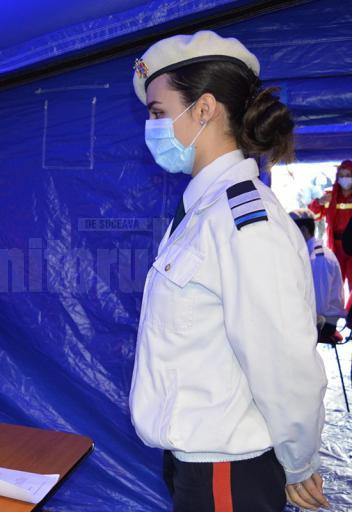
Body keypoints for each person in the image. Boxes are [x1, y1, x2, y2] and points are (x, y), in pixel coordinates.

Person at [128, 31, 328, 511]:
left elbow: (282, 357)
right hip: (197, 461)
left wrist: (299, 460)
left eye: (157, 112)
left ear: (204, 109)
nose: (151, 126)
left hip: (227, 473)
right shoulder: (202, 212)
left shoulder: (244, 220)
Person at [291, 209, 347, 341]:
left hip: (323, 323)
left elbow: (318, 307)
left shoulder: (317, 259)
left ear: (304, 231)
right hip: (315, 318)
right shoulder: (310, 254)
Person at [309, 159, 352, 307]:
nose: (345, 178)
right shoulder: (330, 196)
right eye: (342, 175)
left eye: (348, 175)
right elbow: (313, 215)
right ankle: (333, 322)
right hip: (336, 247)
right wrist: (319, 202)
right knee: (334, 286)